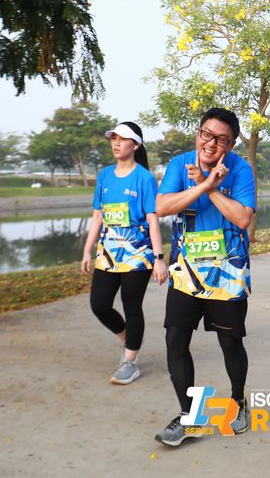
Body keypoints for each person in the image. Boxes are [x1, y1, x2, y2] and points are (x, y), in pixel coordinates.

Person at [153, 108, 256, 447]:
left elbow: (242, 218)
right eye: (206, 134)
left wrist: (208, 186)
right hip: (186, 272)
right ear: (198, 133)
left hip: (227, 273)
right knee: (175, 339)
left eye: (221, 140)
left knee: (230, 342)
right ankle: (190, 416)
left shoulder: (241, 170)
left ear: (231, 144)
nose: (211, 143)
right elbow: (163, 206)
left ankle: (238, 401)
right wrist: (203, 184)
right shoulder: (179, 164)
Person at [81, 122, 169, 385]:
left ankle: (130, 362)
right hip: (108, 253)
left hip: (137, 254)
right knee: (99, 304)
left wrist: (159, 259)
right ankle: (128, 338)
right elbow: (98, 216)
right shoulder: (104, 176)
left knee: (132, 306)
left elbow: (152, 220)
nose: (116, 143)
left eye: (122, 139)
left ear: (136, 145)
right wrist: (87, 250)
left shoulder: (144, 178)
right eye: (114, 138)